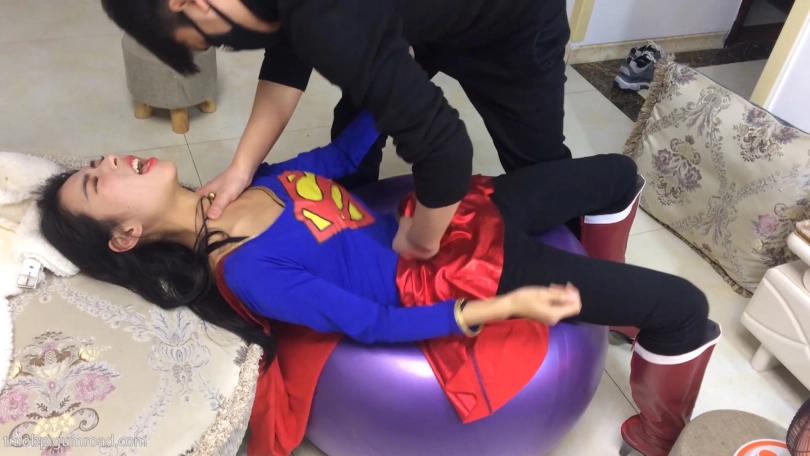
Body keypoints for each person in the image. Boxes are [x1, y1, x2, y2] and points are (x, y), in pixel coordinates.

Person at [38, 111, 720, 456]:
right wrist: (499, 306)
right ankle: (656, 435)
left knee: (617, 174)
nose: (113, 159)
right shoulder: (246, 266)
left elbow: (341, 156)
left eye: (100, 161)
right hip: (455, 276)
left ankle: (618, 310)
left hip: (448, 219)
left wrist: (403, 74)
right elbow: (372, 321)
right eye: (98, 181)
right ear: (125, 236)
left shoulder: (243, 183)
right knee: (686, 309)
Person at [99, 0, 577, 262]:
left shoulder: (328, 18)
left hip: (511, 24)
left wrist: (420, 242)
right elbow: (285, 51)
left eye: (203, 42)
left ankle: (592, 250)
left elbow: (446, 147)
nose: (217, 45)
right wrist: (242, 167)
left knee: (537, 159)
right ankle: (361, 214)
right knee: (358, 119)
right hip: (408, 21)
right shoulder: (299, 16)